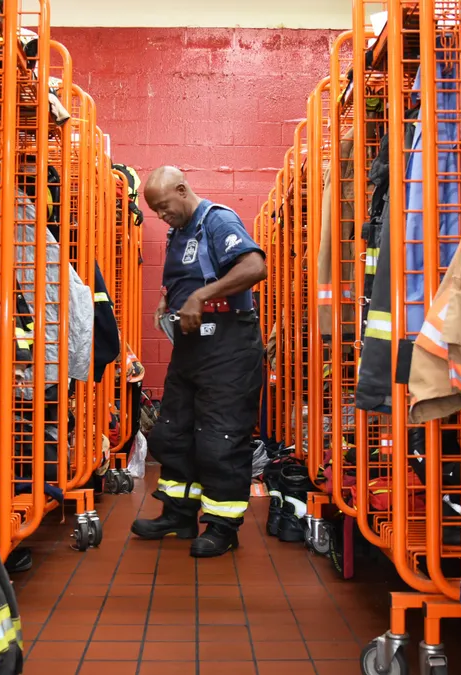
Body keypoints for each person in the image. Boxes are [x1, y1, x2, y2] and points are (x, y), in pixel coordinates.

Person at [130, 166, 267, 558]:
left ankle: (223, 526)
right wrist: (167, 297)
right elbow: (186, 274)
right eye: (154, 210)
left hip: (229, 345)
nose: (161, 216)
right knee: (172, 433)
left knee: (220, 440)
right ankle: (179, 514)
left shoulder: (217, 219)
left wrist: (201, 296)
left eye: (164, 206)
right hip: (191, 348)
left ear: (182, 189)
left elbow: (254, 266)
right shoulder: (180, 231)